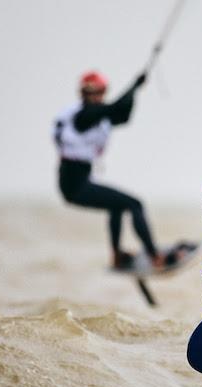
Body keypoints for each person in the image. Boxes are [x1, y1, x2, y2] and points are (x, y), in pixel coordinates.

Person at [53, 70, 170, 270]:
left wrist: (136, 90)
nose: (97, 97)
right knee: (135, 204)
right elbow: (115, 107)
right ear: (83, 93)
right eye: (92, 93)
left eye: (100, 92)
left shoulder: (96, 113)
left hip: (79, 180)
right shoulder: (82, 115)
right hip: (74, 184)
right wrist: (134, 84)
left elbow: (123, 115)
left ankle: (117, 256)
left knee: (117, 206)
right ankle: (154, 256)